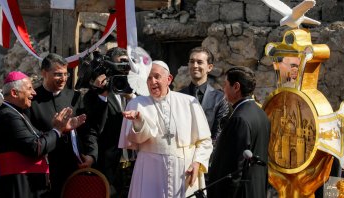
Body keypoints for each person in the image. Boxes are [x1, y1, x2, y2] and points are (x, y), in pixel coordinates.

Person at [118, 60, 213, 197]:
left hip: (184, 171)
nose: (152, 82)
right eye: (149, 78)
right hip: (150, 172)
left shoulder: (188, 102)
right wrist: (139, 121)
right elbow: (134, 141)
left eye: (157, 76)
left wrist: (198, 162)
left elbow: (204, 140)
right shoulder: (137, 104)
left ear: (169, 79)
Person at [0, 71, 86, 198]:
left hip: (29, 186)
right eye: (29, 88)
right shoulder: (8, 116)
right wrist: (57, 130)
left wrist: (62, 130)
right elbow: (35, 147)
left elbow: (38, 139)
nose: (34, 92)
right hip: (18, 187)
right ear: (14, 93)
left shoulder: (17, 113)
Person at [25, 53, 91, 198]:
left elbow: (88, 131)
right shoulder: (32, 101)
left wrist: (92, 155)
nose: (63, 79)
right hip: (46, 172)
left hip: (75, 168)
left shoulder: (75, 96)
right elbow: (31, 137)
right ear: (44, 73)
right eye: (57, 74)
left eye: (65, 74)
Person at [208, 66, 270, 198]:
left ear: (236, 87)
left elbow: (234, 167)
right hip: (256, 190)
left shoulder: (239, 119)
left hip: (241, 193)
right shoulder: (261, 114)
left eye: (225, 85)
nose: (223, 90)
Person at [83, 47, 135, 197]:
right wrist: (102, 95)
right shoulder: (95, 94)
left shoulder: (136, 91)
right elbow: (94, 127)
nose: (125, 67)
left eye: (128, 63)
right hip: (108, 165)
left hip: (135, 162)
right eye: (121, 63)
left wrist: (132, 97)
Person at [179, 47, 229, 145]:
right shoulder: (178, 96)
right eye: (192, 61)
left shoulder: (220, 98)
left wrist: (202, 157)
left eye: (199, 62)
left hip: (207, 156)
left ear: (209, 67)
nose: (195, 65)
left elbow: (218, 135)